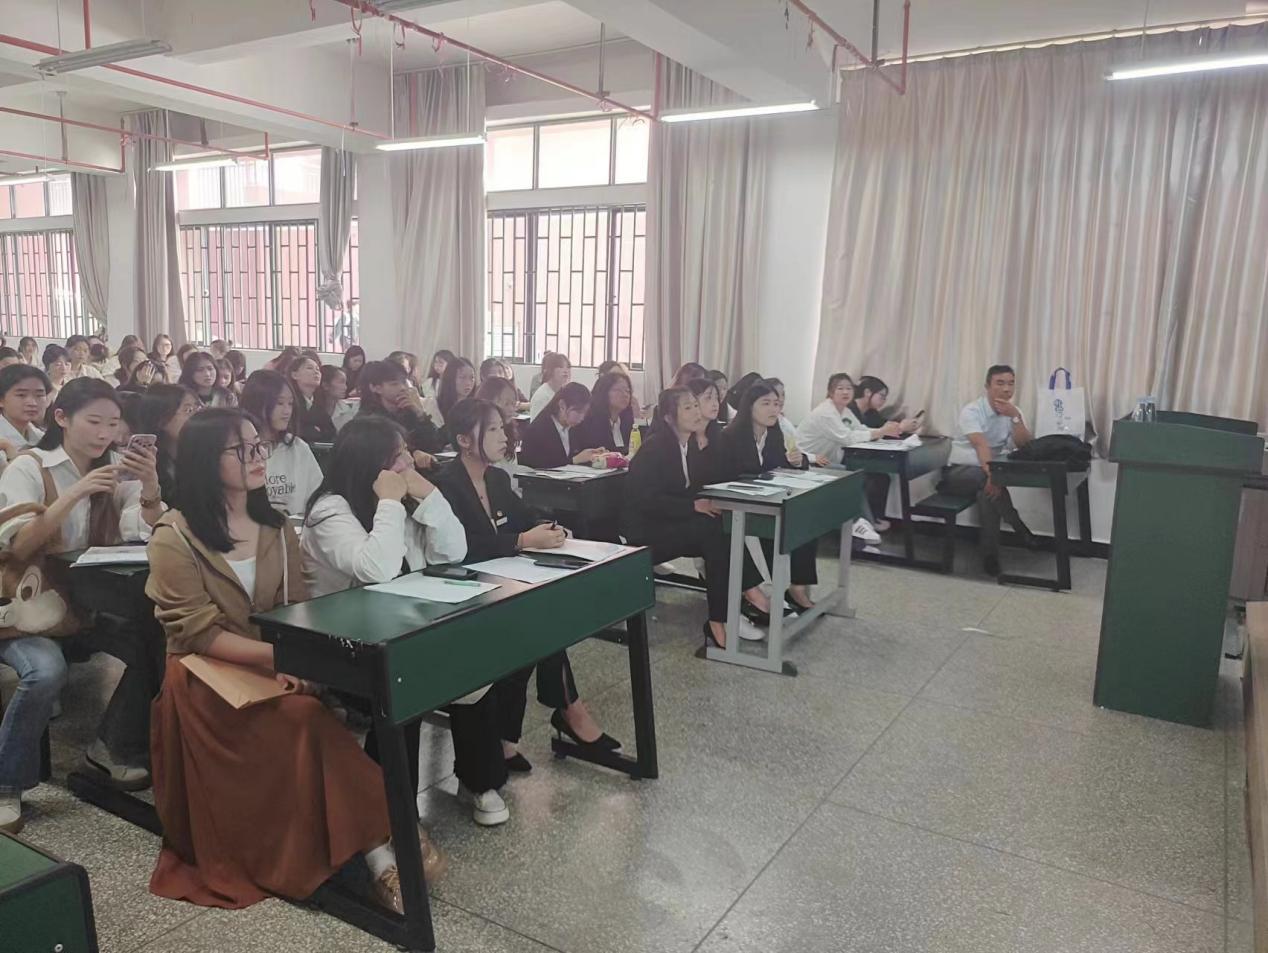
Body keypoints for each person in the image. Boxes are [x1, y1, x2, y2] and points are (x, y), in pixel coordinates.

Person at [144, 407, 421, 912]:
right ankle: (383, 845)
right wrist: (281, 658)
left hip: (269, 659)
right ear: (206, 460)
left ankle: (379, 841)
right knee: (306, 720)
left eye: (259, 446)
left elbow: (295, 605)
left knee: (312, 716)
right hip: (203, 677)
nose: (258, 456)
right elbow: (199, 633)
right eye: (242, 449)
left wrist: (297, 659)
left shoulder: (273, 525)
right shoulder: (174, 534)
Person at [300, 417, 510, 826]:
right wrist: (390, 503)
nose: (408, 463)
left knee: (476, 664)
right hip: (347, 640)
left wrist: (429, 495)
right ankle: (390, 809)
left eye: (406, 453)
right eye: (397, 456)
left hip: (406, 622)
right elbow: (375, 568)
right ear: (370, 464)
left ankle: (479, 780)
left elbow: (453, 551)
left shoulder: (404, 498)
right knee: (406, 682)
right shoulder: (331, 510)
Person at [0, 379, 164, 831]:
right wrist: (75, 491)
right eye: (94, 422)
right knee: (45, 671)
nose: (104, 433)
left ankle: (109, 747)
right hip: (27, 612)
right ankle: (6, 783)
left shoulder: (114, 470)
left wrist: (150, 485)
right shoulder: (29, 467)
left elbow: (145, 527)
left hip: (84, 608)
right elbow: (18, 546)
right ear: (62, 418)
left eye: (113, 424)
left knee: (156, 641)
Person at [433, 398, 619, 772]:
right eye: (492, 429)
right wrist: (521, 540)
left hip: (503, 579)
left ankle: (527, 729)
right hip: (460, 588)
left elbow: (523, 517)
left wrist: (546, 528)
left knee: (538, 624)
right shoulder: (445, 485)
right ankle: (565, 712)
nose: (504, 437)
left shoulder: (497, 479)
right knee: (535, 626)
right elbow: (458, 547)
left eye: (502, 428)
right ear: (464, 440)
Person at [622, 387, 766, 648]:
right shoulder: (656, 447)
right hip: (647, 530)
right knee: (712, 530)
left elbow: (696, 485)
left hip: (672, 522)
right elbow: (646, 500)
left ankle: (727, 611)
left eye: (695, 406)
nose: (696, 412)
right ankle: (731, 607)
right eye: (687, 407)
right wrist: (693, 506)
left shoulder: (688, 444)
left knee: (720, 525)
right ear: (669, 417)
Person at [720, 380, 818, 613]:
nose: (773, 409)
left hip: (768, 501)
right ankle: (773, 591)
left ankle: (797, 586)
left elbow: (781, 466)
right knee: (775, 529)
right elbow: (728, 476)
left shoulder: (774, 433)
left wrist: (798, 461)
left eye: (776, 403)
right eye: (766, 403)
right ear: (749, 406)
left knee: (806, 520)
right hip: (741, 505)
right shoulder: (731, 436)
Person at [940, 364, 1036, 576]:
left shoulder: (1013, 411)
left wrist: (1016, 417)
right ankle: (1019, 527)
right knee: (989, 484)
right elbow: (980, 445)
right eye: (1000, 383)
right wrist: (993, 476)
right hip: (958, 473)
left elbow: (1024, 445)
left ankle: (990, 556)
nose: (1006, 389)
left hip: (986, 473)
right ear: (987, 386)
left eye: (1011, 384)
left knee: (987, 494)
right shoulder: (972, 411)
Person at [843, 375, 923, 529]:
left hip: (862, 457)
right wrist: (898, 428)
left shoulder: (872, 413)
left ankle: (875, 518)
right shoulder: (850, 410)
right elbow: (864, 434)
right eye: (882, 396)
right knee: (873, 478)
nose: (884, 401)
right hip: (845, 457)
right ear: (867, 392)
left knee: (882, 477)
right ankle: (867, 522)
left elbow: (885, 429)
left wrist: (903, 428)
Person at [239, 371, 322, 516]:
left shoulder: (298, 447)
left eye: (290, 403)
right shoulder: (237, 449)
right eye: (279, 403)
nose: (287, 411)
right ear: (257, 403)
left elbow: (318, 497)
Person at [355, 361, 445, 463]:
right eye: (394, 384)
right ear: (376, 388)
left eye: (404, 382)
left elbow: (436, 445)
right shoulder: (368, 419)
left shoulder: (408, 410)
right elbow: (384, 454)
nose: (402, 388)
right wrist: (414, 453)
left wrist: (420, 413)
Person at [135, 384, 200, 505]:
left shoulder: (207, 454)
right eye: (188, 410)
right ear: (161, 419)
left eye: (198, 409)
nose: (198, 417)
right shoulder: (146, 467)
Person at [518, 383, 606, 470]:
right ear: (562, 405)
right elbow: (539, 464)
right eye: (578, 412)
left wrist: (592, 456)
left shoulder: (574, 427)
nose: (582, 417)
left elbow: (574, 456)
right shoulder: (537, 430)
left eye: (584, 413)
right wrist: (574, 460)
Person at [0, 364, 48, 477]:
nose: (32, 403)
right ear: (1, 400)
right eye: (21, 395)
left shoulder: (42, 437)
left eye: (39, 395)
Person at [573, 371, 634, 454]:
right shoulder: (590, 421)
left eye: (627, 391)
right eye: (618, 390)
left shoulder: (627, 421)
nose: (625, 395)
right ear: (604, 392)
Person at [474, 377, 522, 475]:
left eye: (513, 404)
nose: (511, 409)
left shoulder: (509, 432)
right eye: (506, 403)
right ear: (488, 401)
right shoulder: (478, 433)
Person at [286, 355, 333, 444]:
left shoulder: (319, 403)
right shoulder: (289, 401)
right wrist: (315, 431)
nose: (316, 372)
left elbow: (330, 433)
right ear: (295, 375)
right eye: (309, 368)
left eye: (318, 369)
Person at [430, 356, 476, 433]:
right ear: (450, 379)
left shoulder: (475, 406)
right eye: (462, 377)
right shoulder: (435, 406)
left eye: (472, 378)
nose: (468, 383)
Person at [527, 352, 570, 419]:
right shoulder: (541, 396)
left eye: (568, 367)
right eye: (561, 367)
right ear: (551, 370)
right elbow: (537, 423)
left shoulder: (564, 392)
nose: (565, 371)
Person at [318, 365, 357, 433]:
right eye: (341, 382)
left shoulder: (349, 411)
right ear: (325, 385)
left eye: (345, 383)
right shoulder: (312, 410)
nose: (345, 387)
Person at [686, 377, 725, 443]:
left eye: (716, 398)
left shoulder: (720, 436)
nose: (715, 404)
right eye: (708, 398)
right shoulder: (682, 437)